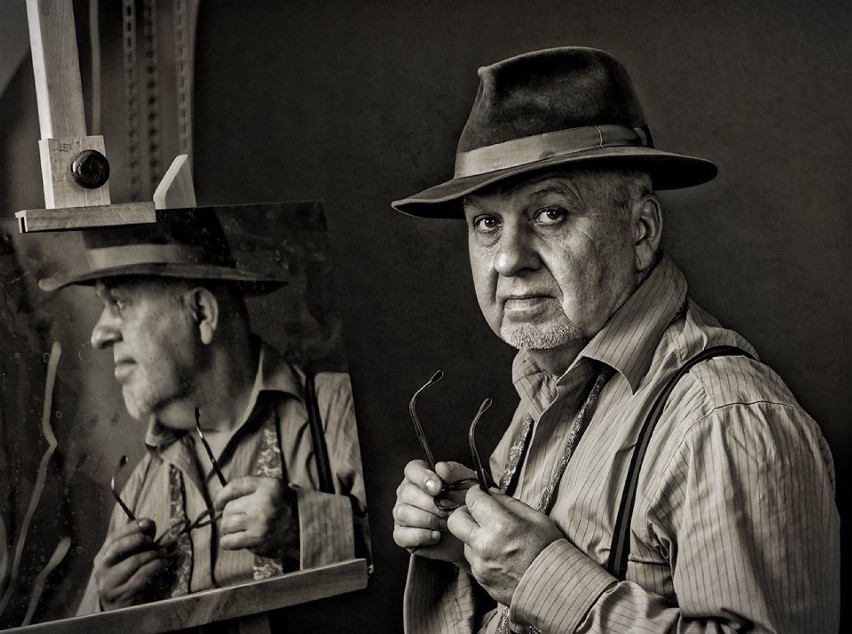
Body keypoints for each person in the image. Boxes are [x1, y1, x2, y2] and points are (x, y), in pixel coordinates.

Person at [391, 47, 839, 633]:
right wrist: (466, 550)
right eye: (486, 222)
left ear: (641, 230)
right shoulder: (545, 388)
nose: (506, 259)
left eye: (550, 213)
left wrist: (546, 582)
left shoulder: (723, 421)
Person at [39, 208, 367, 612]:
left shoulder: (340, 410)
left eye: (120, 302)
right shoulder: (141, 486)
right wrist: (107, 604)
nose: (99, 334)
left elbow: (424, 562)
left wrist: (304, 525)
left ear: (201, 313)